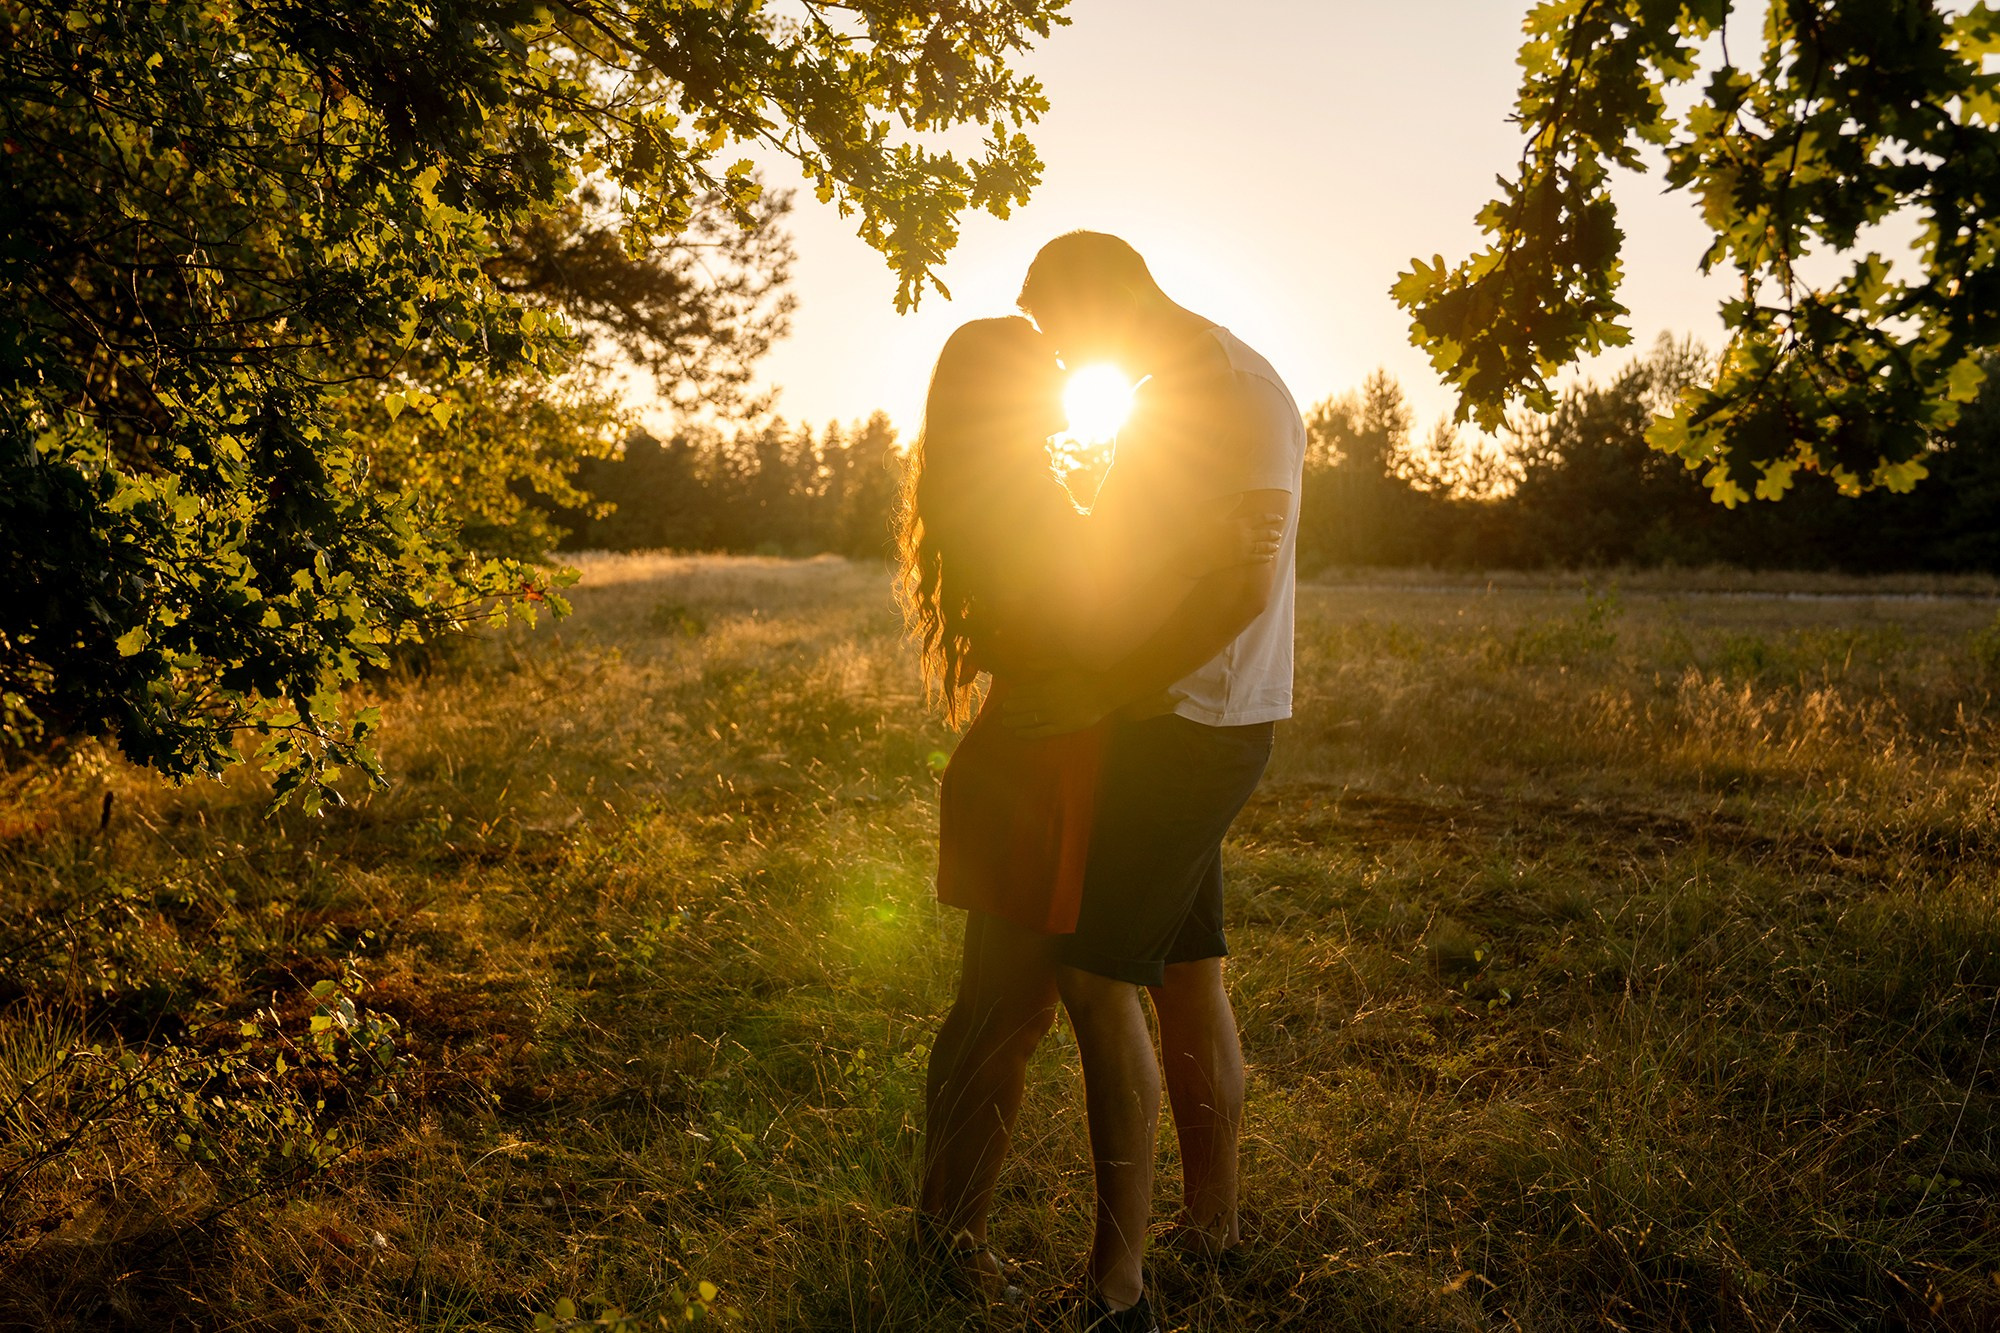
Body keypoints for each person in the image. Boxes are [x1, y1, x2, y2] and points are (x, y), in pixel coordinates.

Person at [896, 316, 1280, 1318]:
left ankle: (942, 1233)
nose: (1062, 375)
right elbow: (1089, 617)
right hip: (1038, 771)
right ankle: (950, 1243)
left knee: (992, 1012)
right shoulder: (1007, 498)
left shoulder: (1002, 485)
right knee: (1003, 1017)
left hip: (1046, 761)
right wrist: (1200, 541)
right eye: (1045, 366)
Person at [1001, 231, 1307, 1332]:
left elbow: (1239, 581)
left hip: (1193, 720)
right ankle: (1210, 1230)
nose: (1049, 349)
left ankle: (1115, 1288)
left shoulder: (1228, 389)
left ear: (1103, 299)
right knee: (1188, 972)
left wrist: (1106, 687)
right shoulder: (1166, 390)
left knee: (1094, 982)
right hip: (1169, 713)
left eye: (1050, 325)